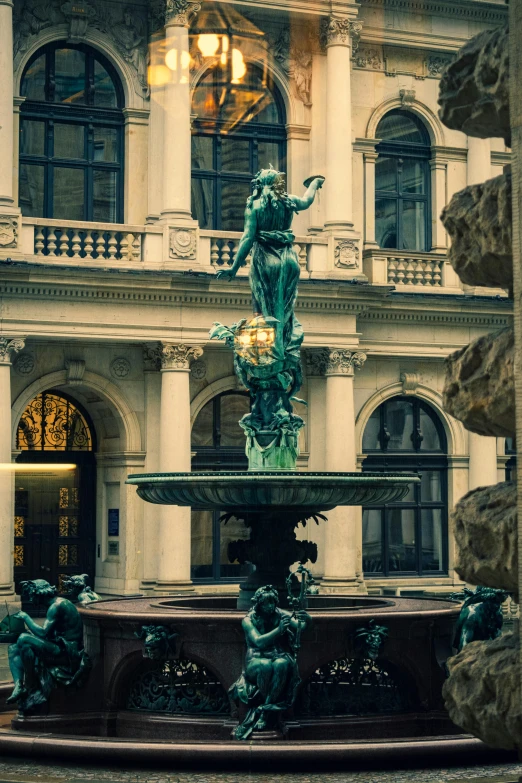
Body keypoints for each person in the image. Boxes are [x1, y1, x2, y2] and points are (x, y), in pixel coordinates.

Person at [216, 168, 323, 390]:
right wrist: (314, 183)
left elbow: (247, 238)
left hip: (266, 259)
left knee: (262, 305)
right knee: (285, 307)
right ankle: (281, 349)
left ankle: (269, 351)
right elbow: (306, 201)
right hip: (289, 260)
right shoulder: (288, 202)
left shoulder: (255, 206)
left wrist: (234, 268)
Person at [230, 584, 310, 740]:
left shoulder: (279, 614)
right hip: (255, 659)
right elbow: (258, 641)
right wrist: (279, 630)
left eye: (273, 602)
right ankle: (266, 712)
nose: (271, 606)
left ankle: (265, 711)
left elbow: (299, 627)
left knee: (283, 664)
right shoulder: (248, 620)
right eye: (267, 603)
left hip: (276, 655)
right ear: (259, 604)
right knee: (265, 666)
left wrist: (307, 620)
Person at [7, 579, 89, 712]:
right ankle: (18, 686)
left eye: (31, 595)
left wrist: (26, 618)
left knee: (23, 639)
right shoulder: (55, 604)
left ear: (39, 594)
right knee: (13, 648)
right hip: (57, 645)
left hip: (67, 652)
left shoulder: (56, 606)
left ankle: (30, 684)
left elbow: (43, 633)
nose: (30, 598)